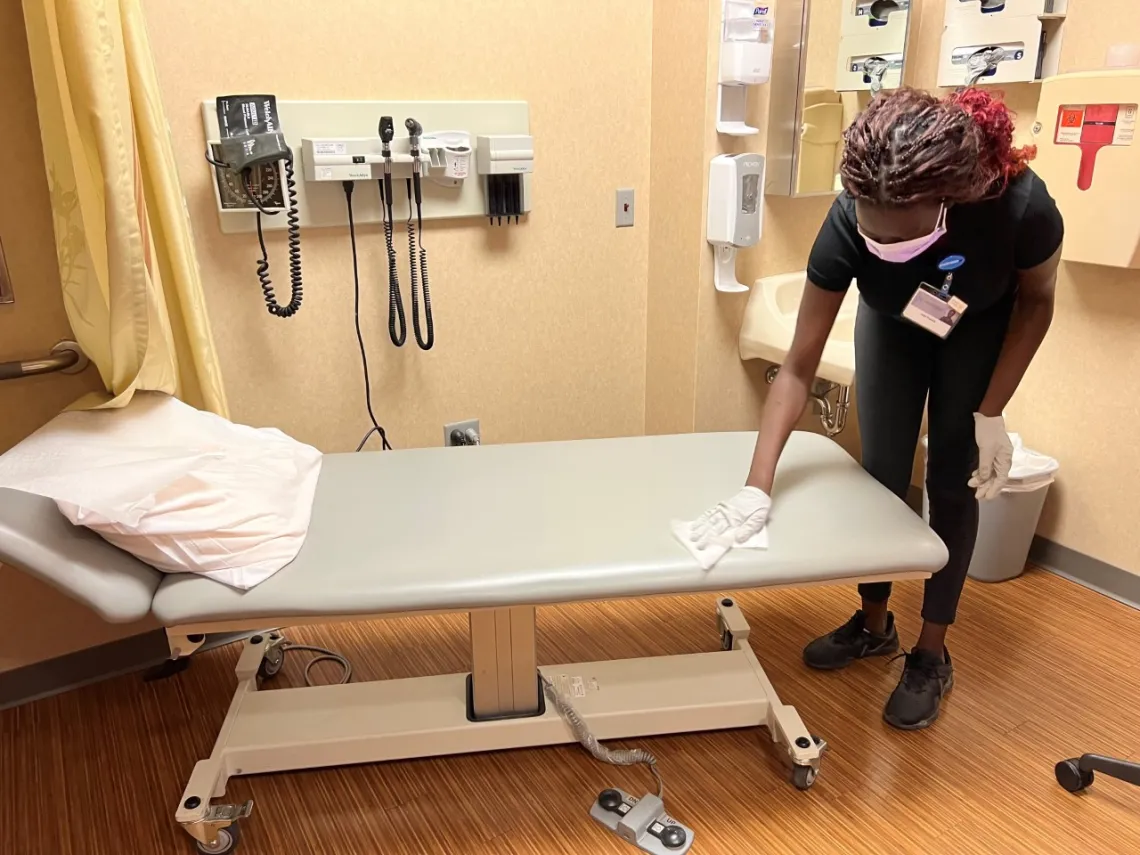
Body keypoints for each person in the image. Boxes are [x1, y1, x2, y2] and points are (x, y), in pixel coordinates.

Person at [688, 87, 1063, 730]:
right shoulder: (846, 221)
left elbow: (1038, 303)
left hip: (976, 326)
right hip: (893, 325)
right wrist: (756, 487)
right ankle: (874, 623)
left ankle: (931, 652)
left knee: (952, 480)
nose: (881, 240)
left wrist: (992, 412)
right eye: (872, 230)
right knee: (882, 474)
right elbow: (797, 367)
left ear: (946, 203)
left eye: (899, 233)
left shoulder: (1020, 207)